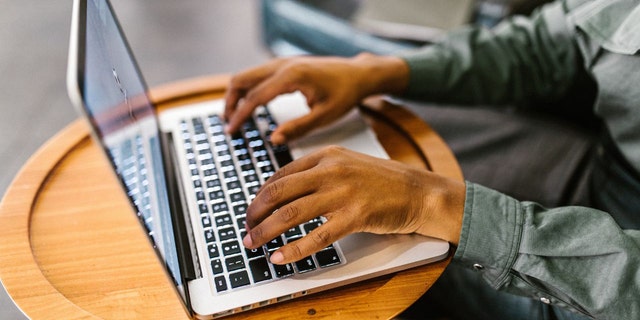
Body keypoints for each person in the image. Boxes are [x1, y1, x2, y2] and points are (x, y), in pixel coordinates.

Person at [223, 0, 640, 318]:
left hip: (603, 289)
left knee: (335, 285)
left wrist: (432, 203)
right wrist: (377, 72)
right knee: (350, 161)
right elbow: (546, 46)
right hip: (606, 171)